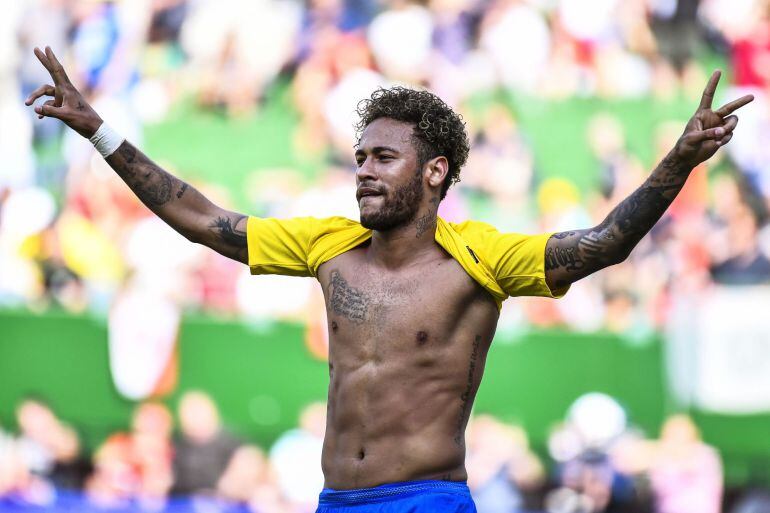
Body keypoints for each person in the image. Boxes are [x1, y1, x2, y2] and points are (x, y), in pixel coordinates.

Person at [25, 46, 752, 512]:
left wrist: (678, 161)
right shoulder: (326, 244)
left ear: (435, 172)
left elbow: (602, 244)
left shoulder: (481, 258)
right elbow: (200, 218)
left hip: (428, 500)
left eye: (383, 158)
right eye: (361, 157)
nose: (364, 171)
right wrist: (100, 131)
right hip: (334, 500)